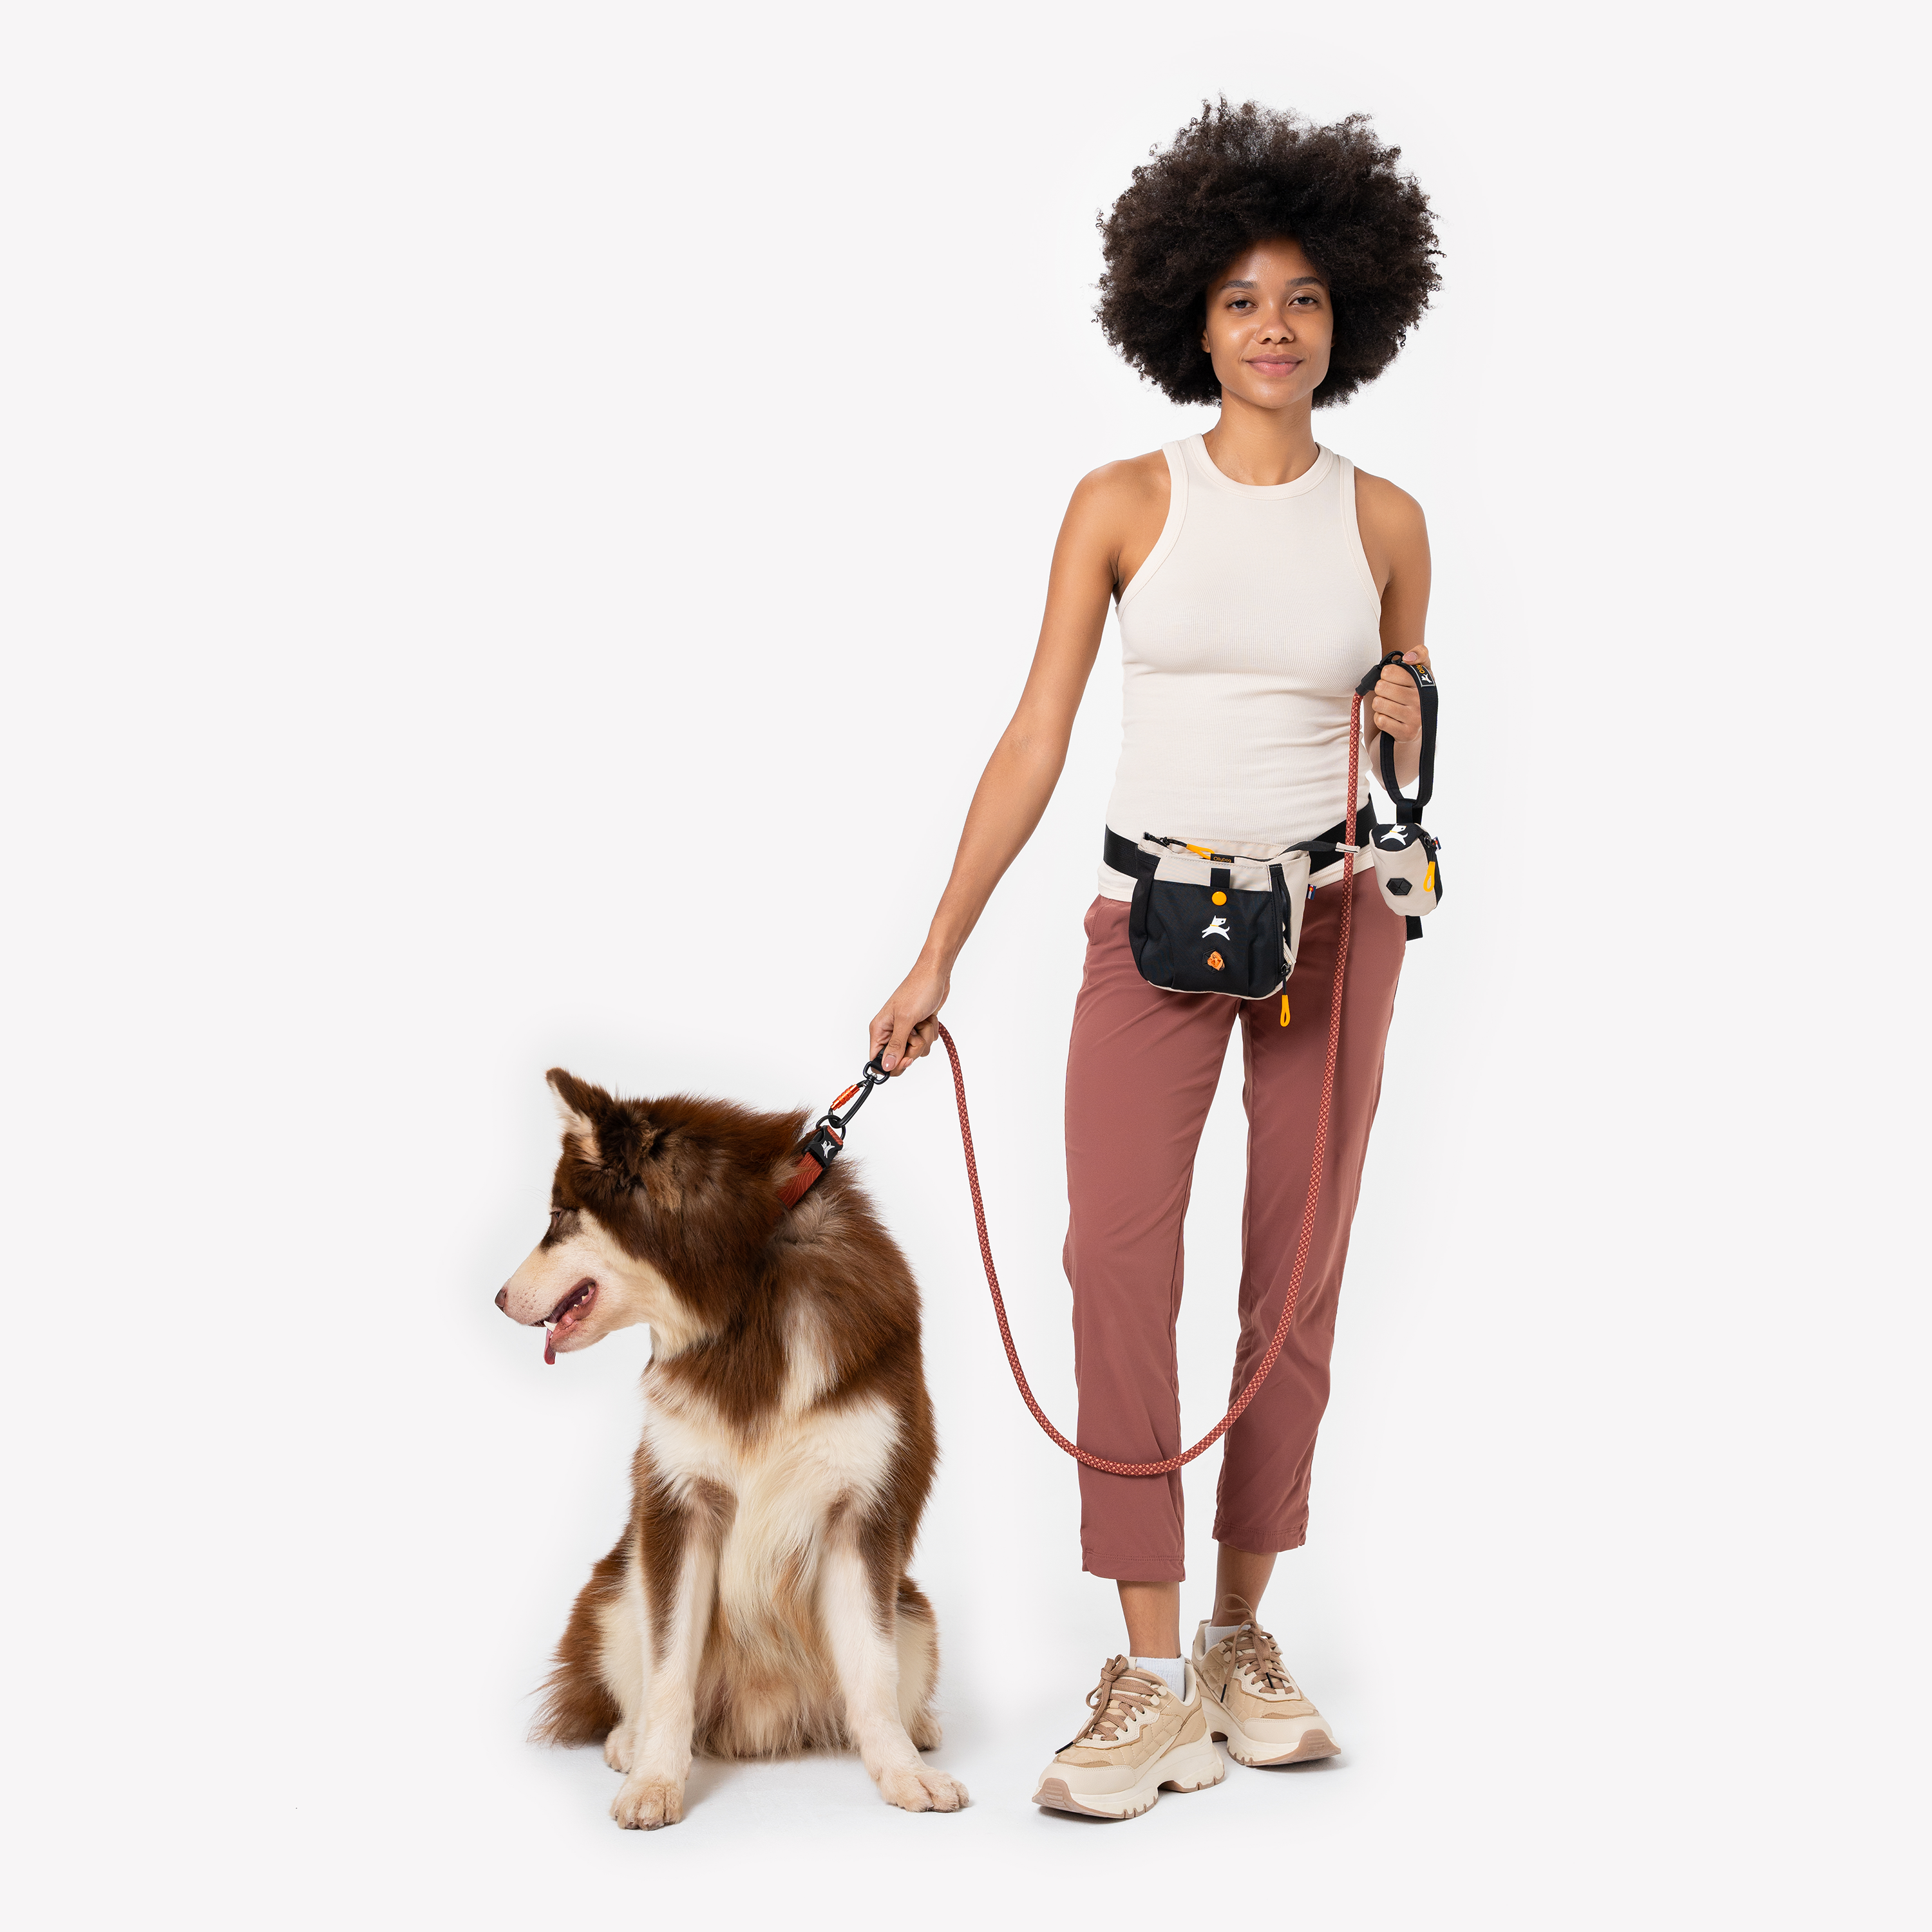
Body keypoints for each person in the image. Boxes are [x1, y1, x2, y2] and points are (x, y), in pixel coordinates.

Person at [869, 100, 1442, 1819]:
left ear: (1351, 318)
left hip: (1335, 926)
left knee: (1298, 1279)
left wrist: (1405, 713)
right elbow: (1038, 735)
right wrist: (935, 957)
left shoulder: (1392, 518)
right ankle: (1143, 1664)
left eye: (1308, 302)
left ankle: (1240, 1640)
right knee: (1113, 1259)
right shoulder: (1122, 501)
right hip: (1153, 925)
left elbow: (1404, 752)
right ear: (1187, 315)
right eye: (1244, 300)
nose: (1276, 329)